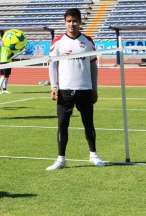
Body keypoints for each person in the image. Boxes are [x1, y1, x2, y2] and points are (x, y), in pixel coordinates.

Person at [46, 8, 105, 171]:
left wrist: (94, 88)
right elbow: (53, 65)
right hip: (65, 90)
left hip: (85, 89)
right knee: (62, 125)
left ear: (80, 22)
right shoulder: (57, 42)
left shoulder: (87, 41)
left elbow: (93, 66)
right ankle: (61, 159)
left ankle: (93, 155)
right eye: (69, 21)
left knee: (88, 124)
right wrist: (54, 86)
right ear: (65, 22)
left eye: (74, 21)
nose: (72, 24)